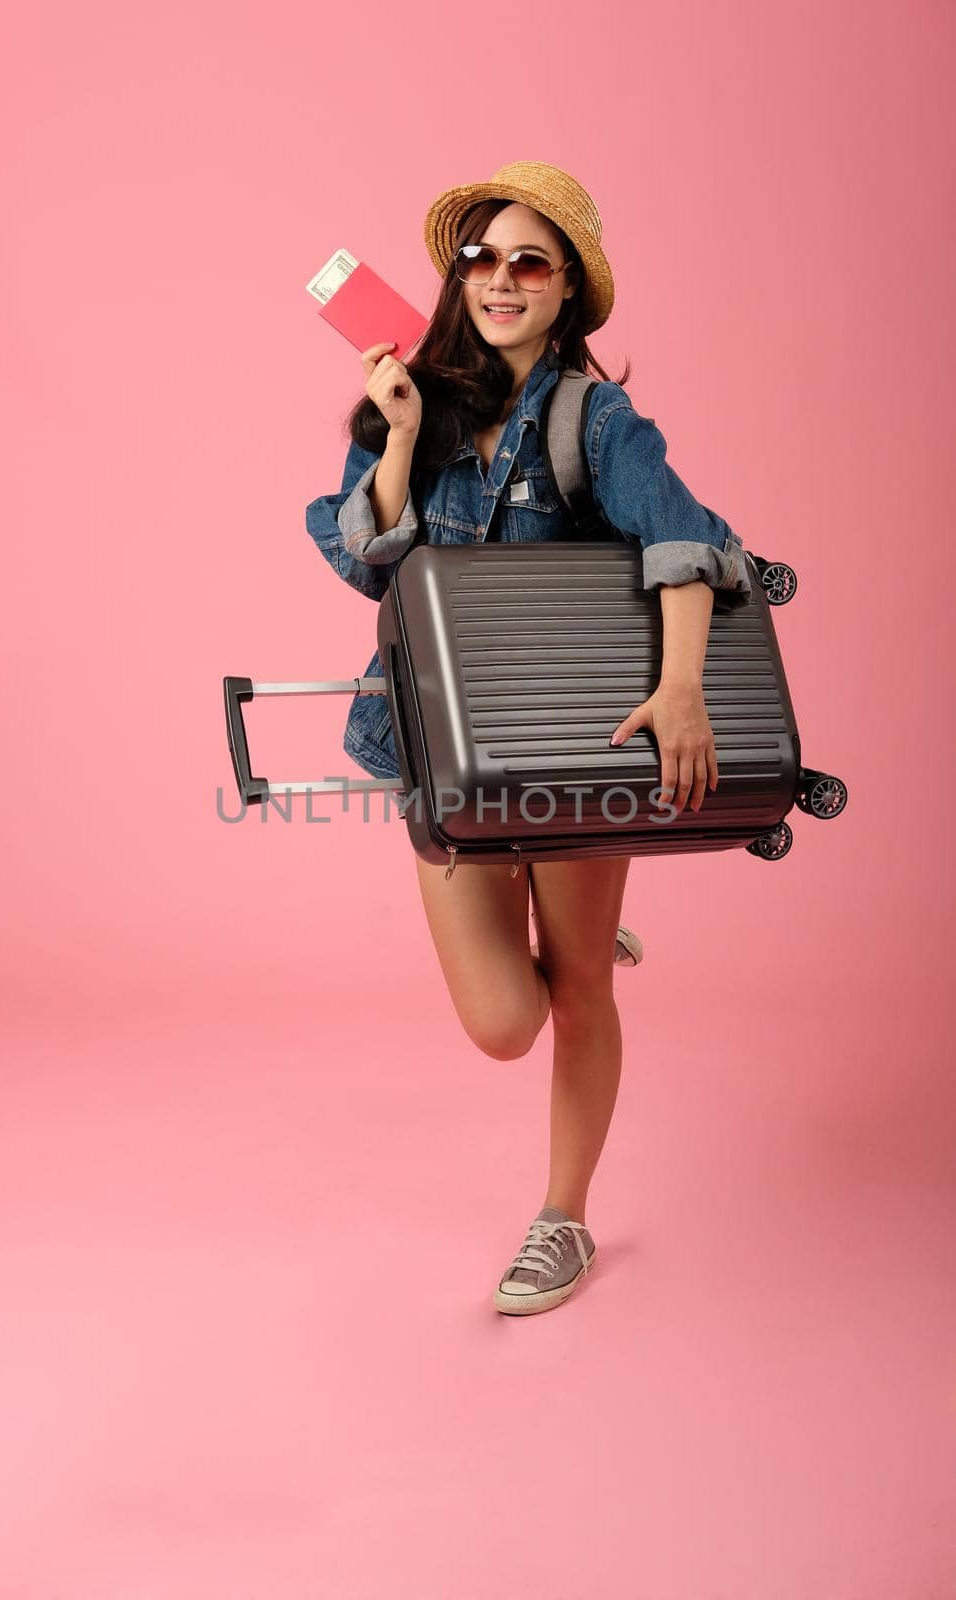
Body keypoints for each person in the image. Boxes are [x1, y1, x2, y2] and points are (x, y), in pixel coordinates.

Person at [305, 161, 751, 1316]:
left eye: (529, 262)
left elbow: (686, 545)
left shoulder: (597, 420)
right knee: (505, 1022)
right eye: (482, 257)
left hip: (577, 750)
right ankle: (581, 927)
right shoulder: (406, 397)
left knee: (581, 990)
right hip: (442, 751)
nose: (500, 280)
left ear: (566, 294)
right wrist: (398, 438)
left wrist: (686, 691)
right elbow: (369, 568)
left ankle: (566, 1220)